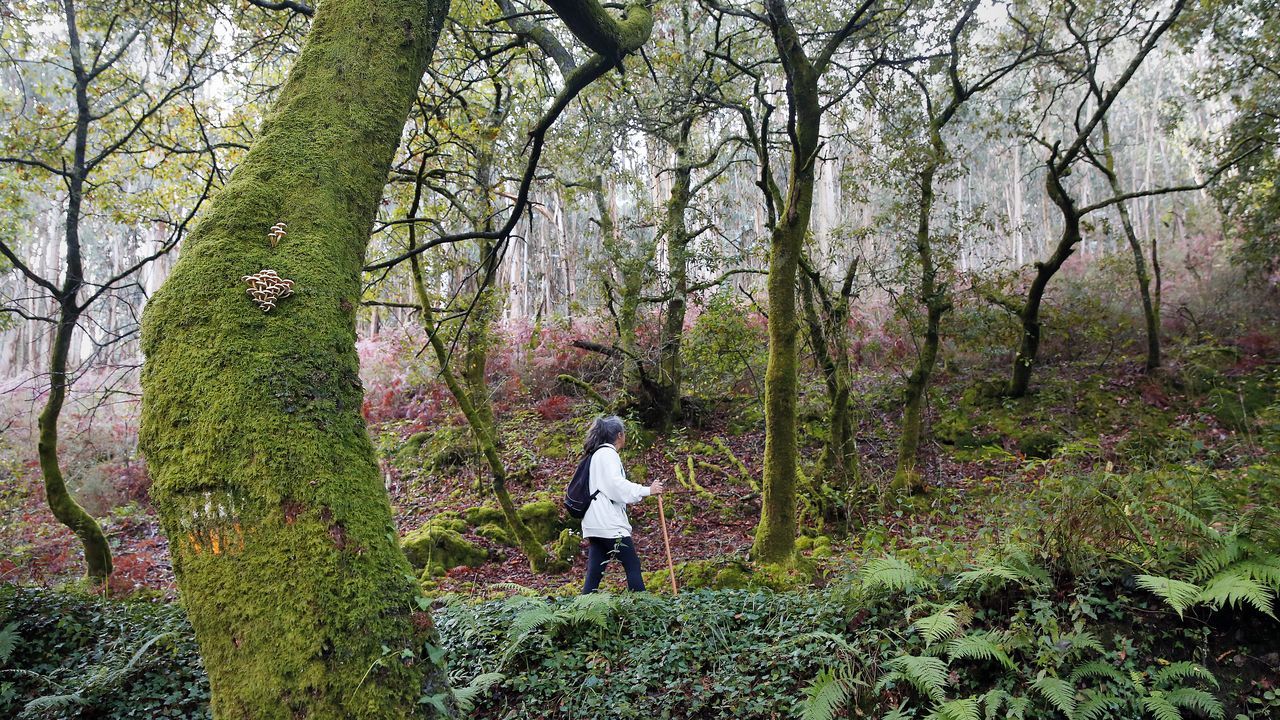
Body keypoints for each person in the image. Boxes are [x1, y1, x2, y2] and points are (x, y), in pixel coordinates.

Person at [579, 415, 663, 593]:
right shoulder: (608, 454)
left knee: (594, 573)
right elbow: (615, 485)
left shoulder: (597, 454)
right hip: (608, 523)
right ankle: (641, 609)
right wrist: (647, 490)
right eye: (624, 433)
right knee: (632, 564)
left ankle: (580, 613)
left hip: (594, 522)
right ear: (619, 435)